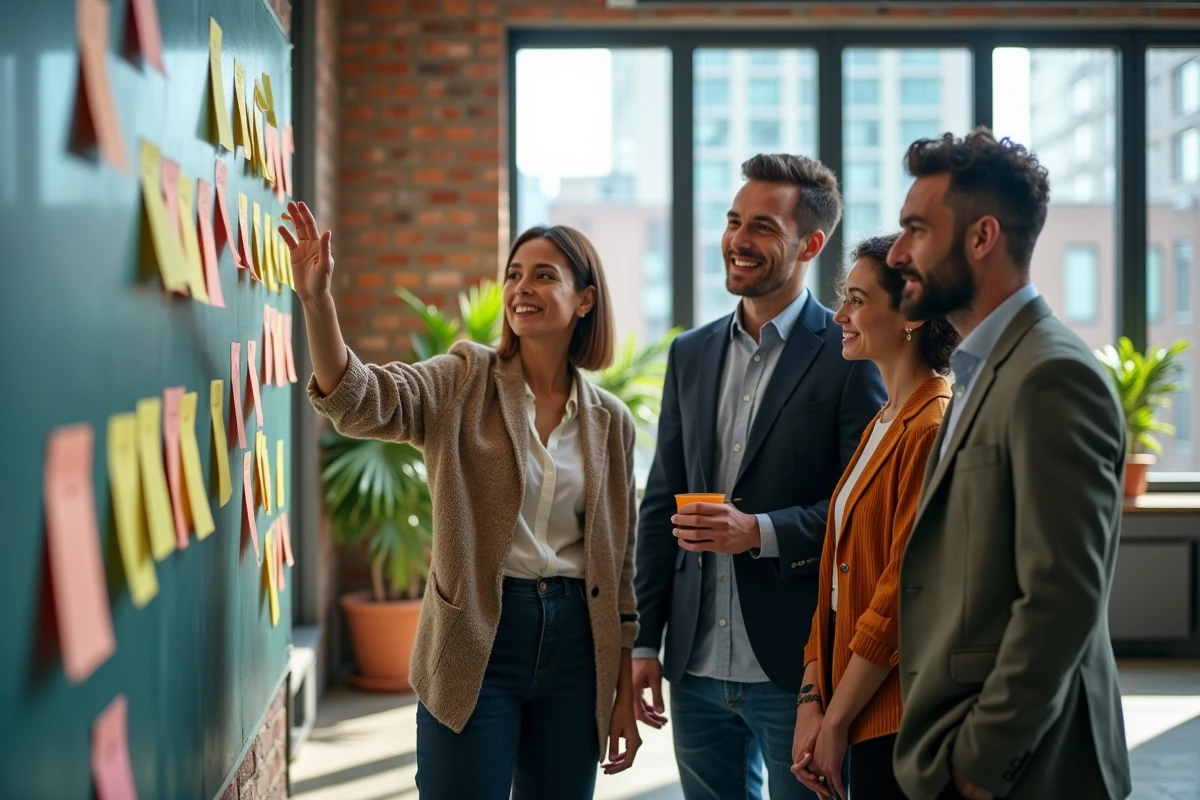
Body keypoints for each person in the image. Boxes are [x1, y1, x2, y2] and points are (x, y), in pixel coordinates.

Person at [282, 203, 642, 799]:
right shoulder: (464, 378)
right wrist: (317, 300)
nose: (521, 288)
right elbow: (358, 400)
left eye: (544, 275)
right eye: (515, 273)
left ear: (585, 300)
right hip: (479, 637)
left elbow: (622, 563)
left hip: (579, 649)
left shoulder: (612, 422)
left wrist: (621, 690)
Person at [631, 154, 886, 800]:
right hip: (694, 665)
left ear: (812, 244)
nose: (738, 240)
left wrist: (761, 532)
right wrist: (644, 643)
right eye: (733, 220)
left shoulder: (851, 355)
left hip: (796, 668)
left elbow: (863, 509)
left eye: (763, 227)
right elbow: (661, 502)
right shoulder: (689, 352)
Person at [887, 130, 1132, 800]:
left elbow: (1061, 597)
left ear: (981, 236)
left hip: (1030, 768)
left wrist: (980, 764)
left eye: (915, 229)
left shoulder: (1051, 376)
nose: (898, 253)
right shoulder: (979, 367)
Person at [789, 232, 958, 800]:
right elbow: (834, 579)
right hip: (848, 699)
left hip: (892, 711)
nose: (839, 315)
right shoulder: (884, 420)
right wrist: (814, 702)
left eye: (857, 301)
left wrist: (835, 719)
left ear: (910, 312)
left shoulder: (931, 426)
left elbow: (899, 593)